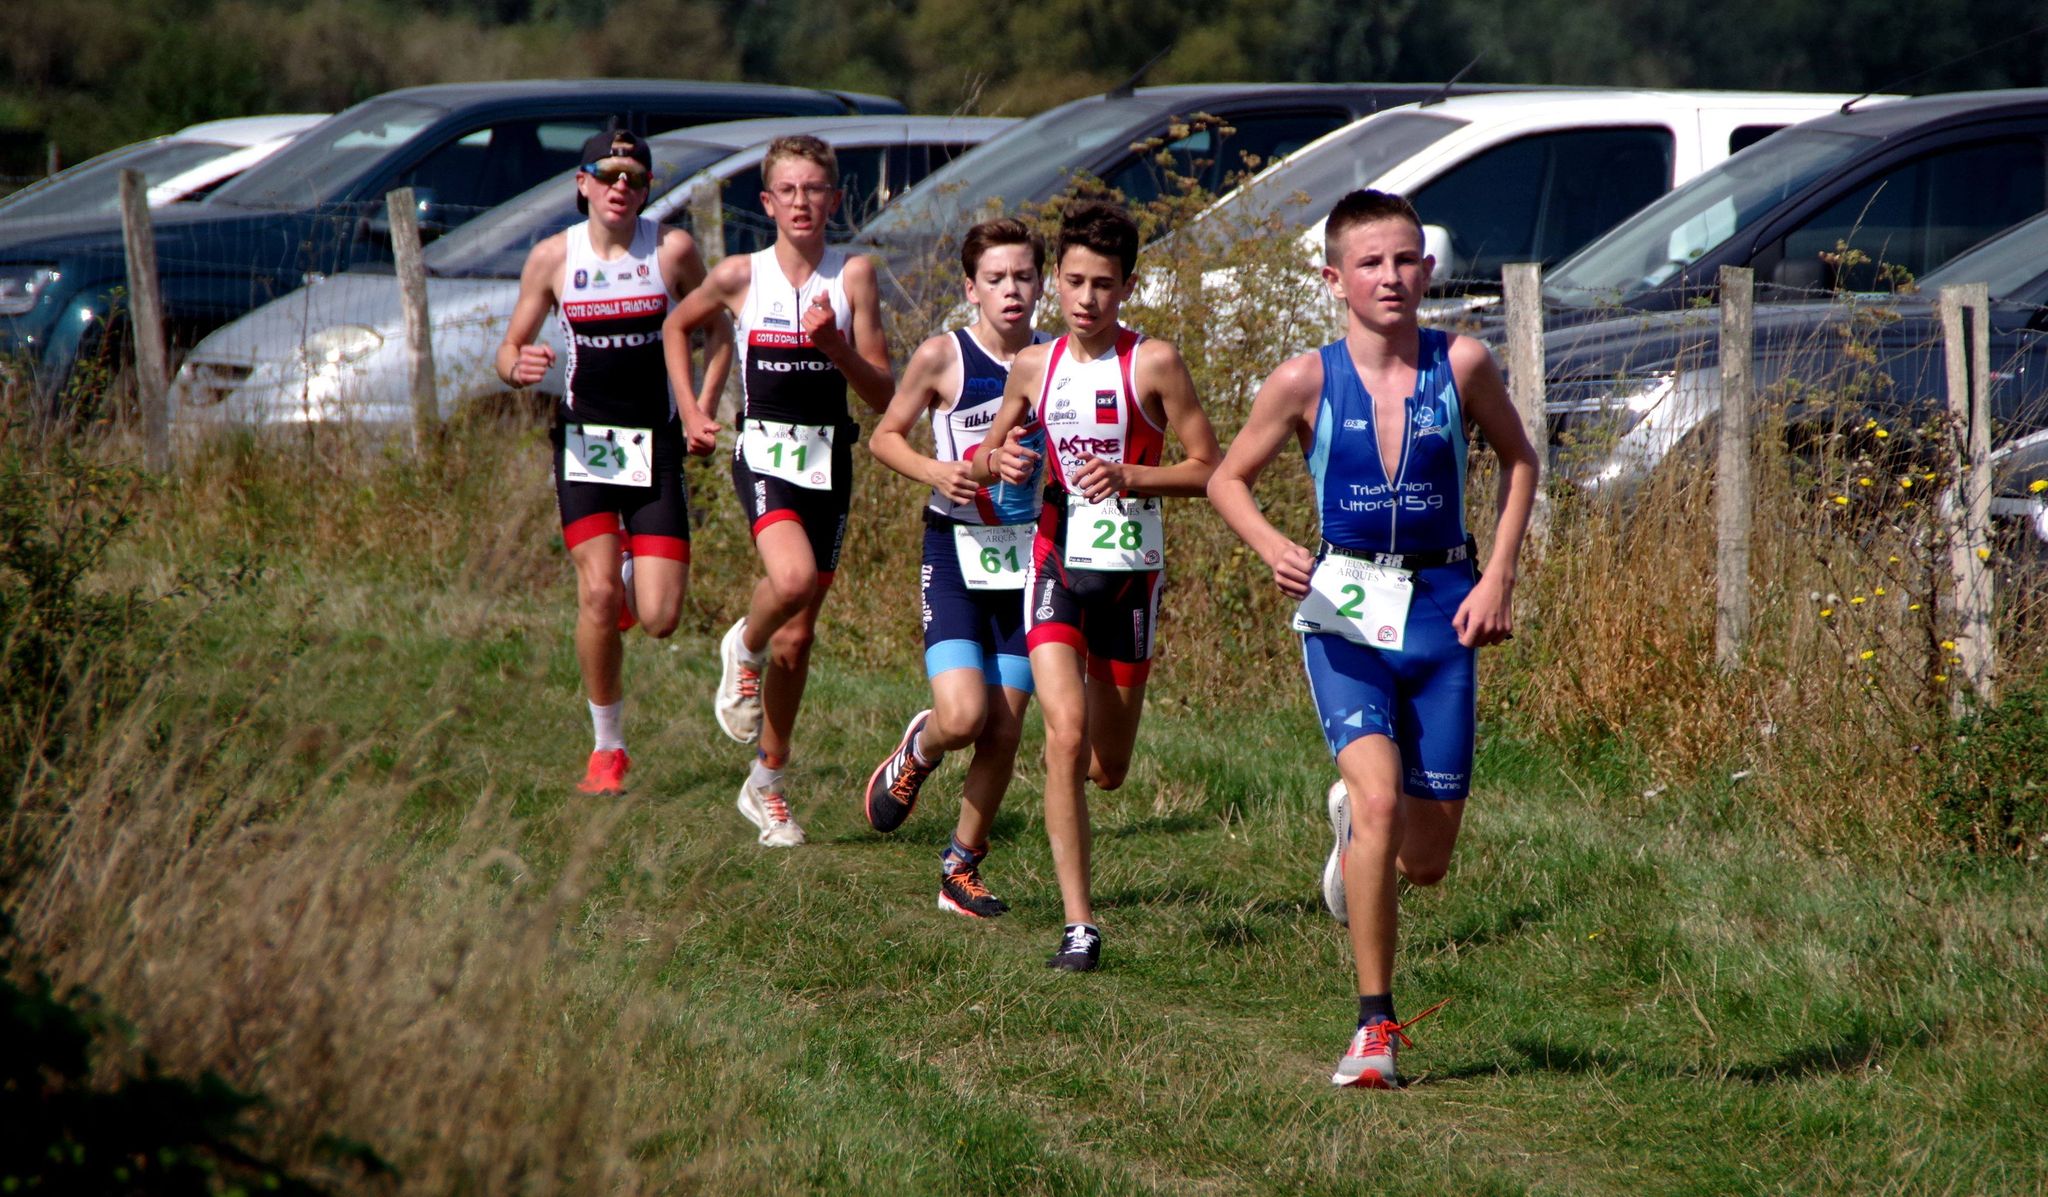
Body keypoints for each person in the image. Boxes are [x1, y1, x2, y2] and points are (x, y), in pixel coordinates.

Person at [1206, 189, 1538, 1088]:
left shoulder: (1460, 362)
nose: (1389, 277)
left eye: (1405, 260)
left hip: (1442, 605)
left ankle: (1356, 826)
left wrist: (1499, 574)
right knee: (1385, 802)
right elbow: (1227, 478)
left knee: (1425, 863)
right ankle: (1374, 1027)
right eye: (1370, 263)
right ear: (1333, 278)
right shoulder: (1303, 380)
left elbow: (1520, 460)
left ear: (1427, 270)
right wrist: (1277, 546)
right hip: (1346, 604)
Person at [971, 200, 1220, 969]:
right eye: (1074, 281)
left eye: (1103, 285)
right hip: (1054, 564)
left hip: (1130, 580)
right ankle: (1080, 925)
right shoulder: (1030, 365)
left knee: (1106, 768)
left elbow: (1211, 467)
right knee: (1064, 737)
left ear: (1128, 286)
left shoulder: (1155, 363)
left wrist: (1133, 473)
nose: (1086, 299)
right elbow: (988, 447)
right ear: (1057, 284)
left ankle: (1062, 791)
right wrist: (1000, 460)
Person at [662, 134, 893, 847]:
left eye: (814, 189)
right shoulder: (740, 274)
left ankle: (767, 781)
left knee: (800, 637)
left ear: (835, 198)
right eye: (787, 190)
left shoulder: (853, 275)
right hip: (762, 452)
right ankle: (743, 643)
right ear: (767, 202)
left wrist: (836, 348)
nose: (801, 201)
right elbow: (677, 325)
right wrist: (695, 411)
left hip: (831, 461)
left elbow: (884, 393)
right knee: (788, 583)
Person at [494, 126, 729, 796]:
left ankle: (630, 562)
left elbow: (719, 330)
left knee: (659, 617)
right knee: (597, 595)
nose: (622, 185)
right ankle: (607, 749)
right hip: (585, 447)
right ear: (583, 183)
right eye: (609, 172)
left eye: (636, 176)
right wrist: (520, 366)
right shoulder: (551, 258)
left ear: (648, 189)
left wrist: (699, 407)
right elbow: (508, 350)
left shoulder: (672, 249)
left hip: (654, 446)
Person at [863, 217, 1050, 918]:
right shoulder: (944, 356)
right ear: (971, 288)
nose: (1011, 291)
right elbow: (884, 437)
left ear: (1042, 284)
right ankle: (920, 746)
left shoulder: (1057, 359)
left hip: (1031, 556)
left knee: (1005, 727)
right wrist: (937, 469)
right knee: (965, 714)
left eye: (1024, 277)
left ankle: (960, 868)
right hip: (956, 550)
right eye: (996, 279)